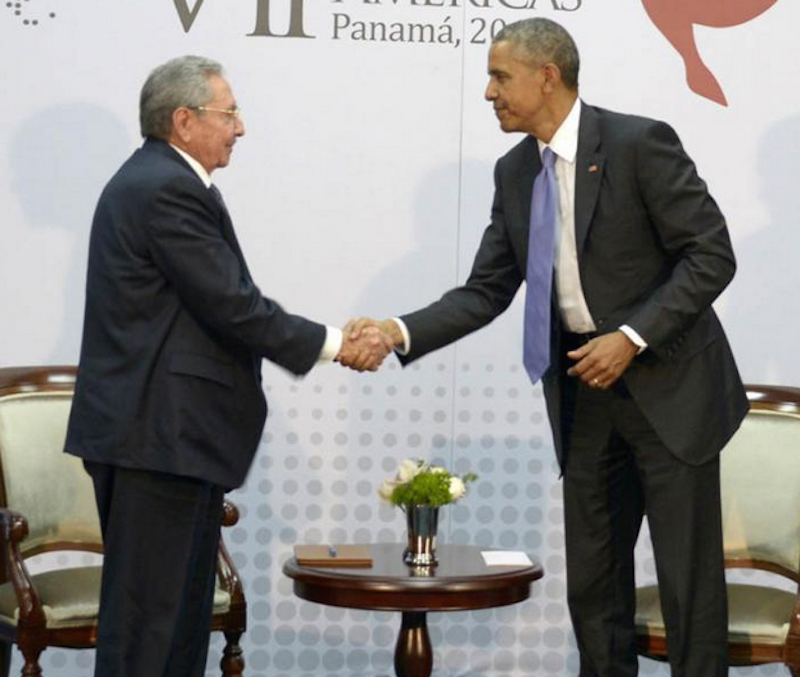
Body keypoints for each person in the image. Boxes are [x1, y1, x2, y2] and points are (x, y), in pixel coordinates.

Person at [349, 18, 748, 677]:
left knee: (688, 585)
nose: (487, 92)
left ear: (547, 76)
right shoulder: (515, 173)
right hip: (583, 396)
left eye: (499, 76)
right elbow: (485, 290)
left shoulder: (638, 143)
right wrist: (397, 330)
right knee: (593, 585)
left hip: (669, 389)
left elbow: (711, 255)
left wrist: (632, 335)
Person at [64, 55, 391, 677]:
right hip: (158, 436)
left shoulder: (160, 181)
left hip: (167, 437)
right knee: (152, 631)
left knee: (178, 625)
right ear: (183, 120)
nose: (240, 128)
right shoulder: (164, 187)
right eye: (229, 113)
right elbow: (232, 306)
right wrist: (334, 344)